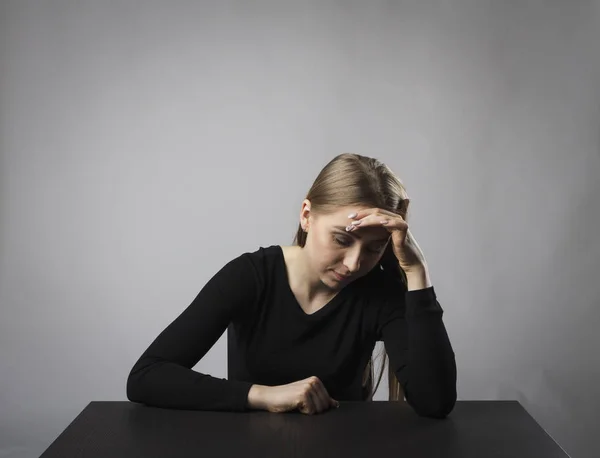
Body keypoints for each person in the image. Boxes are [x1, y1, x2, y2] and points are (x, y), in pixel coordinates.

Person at [126, 153, 457, 417]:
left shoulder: (379, 291)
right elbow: (147, 376)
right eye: (342, 239)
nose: (355, 264)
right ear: (306, 215)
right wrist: (265, 395)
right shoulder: (251, 276)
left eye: (375, 247)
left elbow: (435, 403)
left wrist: (417, 271)